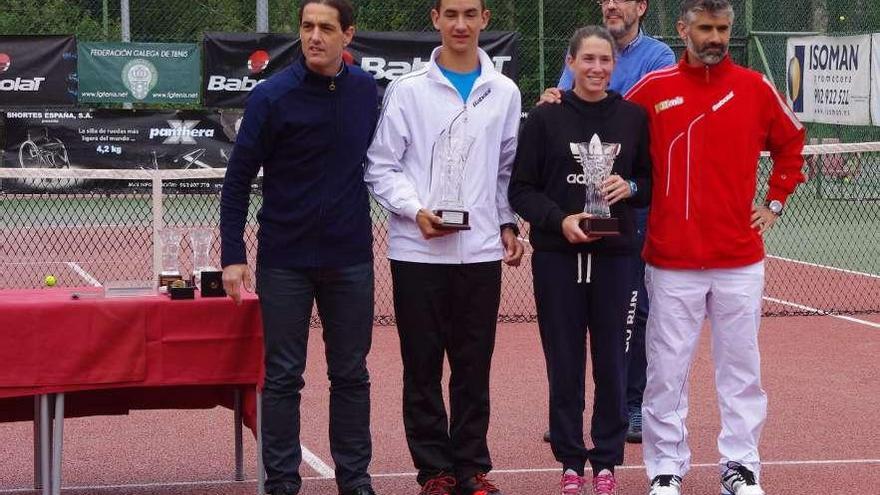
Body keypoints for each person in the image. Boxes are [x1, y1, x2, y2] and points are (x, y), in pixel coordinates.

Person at [624, 1, 805, 494]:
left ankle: (741, 467)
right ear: (683, 30)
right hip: (671, 260)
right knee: (665, 372)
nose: (715, 37)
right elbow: (609, 125)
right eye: (705, 28)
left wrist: (775, 202)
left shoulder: (754, 88)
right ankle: (666, 469)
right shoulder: (653, 89)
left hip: (738, 261)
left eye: (722, 28)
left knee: (742, 372)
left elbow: (792, 143)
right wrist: (562, 99)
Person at [364, 0, 524, 494]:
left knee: (474, 365)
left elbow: (505, 172)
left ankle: (472, 465)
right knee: (423, 365)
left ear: (484, 20)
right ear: (435, 19)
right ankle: (435, 470)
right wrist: (416, 212)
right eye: (450, 13)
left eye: (469, 13)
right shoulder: (407, 90)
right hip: (417, 252)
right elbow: (380, 166)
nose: (460, 24)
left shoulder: (505, 91)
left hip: (479, 255)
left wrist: (507, 223)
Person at [219, 1, 379, 494]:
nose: (314, 36)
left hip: (350, 257)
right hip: (284, 258)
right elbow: (238, 176)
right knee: (284, 377)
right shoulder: (272, 96)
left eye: (326, 28)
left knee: (351, 374)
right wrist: (232, 254)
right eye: (307, 27)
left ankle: (355, 480)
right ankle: (282, 483)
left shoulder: (367, 91)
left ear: (346, 35)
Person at [509, 25, 651, 495]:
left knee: (613, 360)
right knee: (564, 361)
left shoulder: (632, 117)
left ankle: (607, 462)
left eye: (604, 60)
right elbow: (521, 190)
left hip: (615, 258)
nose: (596, 68)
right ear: (570, 63)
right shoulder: (544, 118)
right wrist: (559, 220)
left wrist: (627, 188)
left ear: (614, 66)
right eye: (587, 59)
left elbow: (649, 182)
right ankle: (571, 460)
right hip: (557, 258)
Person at [540, 0, 675, 446]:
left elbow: (638, 118)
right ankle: (567, 418)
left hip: (629, 216)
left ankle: (629, 406)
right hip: (578, 213)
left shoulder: (658, 56)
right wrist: (554, 99)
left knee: (631, 317)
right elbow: (567, 100)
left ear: (642, 6)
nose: (612, 4)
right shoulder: (586, 50)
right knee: (570, 323)